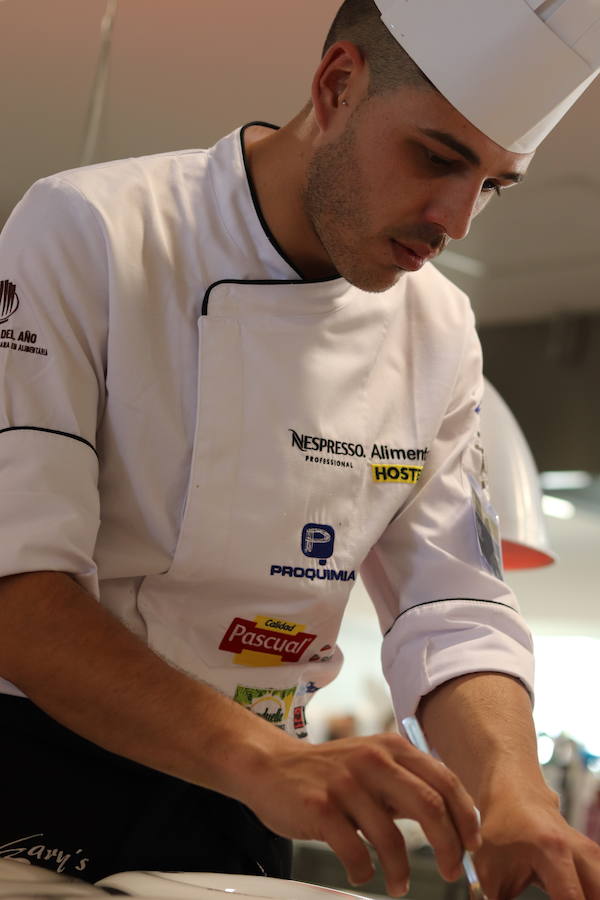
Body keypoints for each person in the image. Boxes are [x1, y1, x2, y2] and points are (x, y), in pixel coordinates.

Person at [0, 0, 599, 896]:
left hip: (253, 798)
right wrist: (261, 762)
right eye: (437, 158)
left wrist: (516, 793)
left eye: (494, 184)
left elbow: (453, 608)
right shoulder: (91, 230)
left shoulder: (437, 326)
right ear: (337, 85)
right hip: (36, 766)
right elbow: (17, 587)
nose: (459, 221)